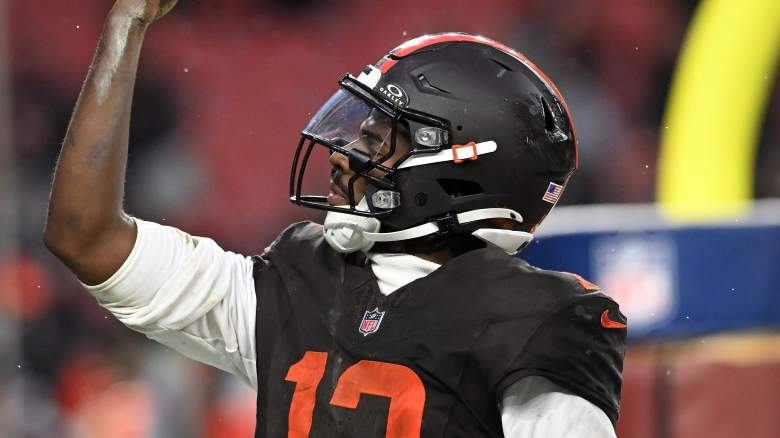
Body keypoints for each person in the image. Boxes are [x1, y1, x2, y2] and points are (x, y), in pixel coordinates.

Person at [43, 0, 626, 436]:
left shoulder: (536, 321)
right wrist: (128, 23)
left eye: (379, 139)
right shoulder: (300, 279)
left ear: (456, 170)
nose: (345, 154)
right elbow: (86, 237)